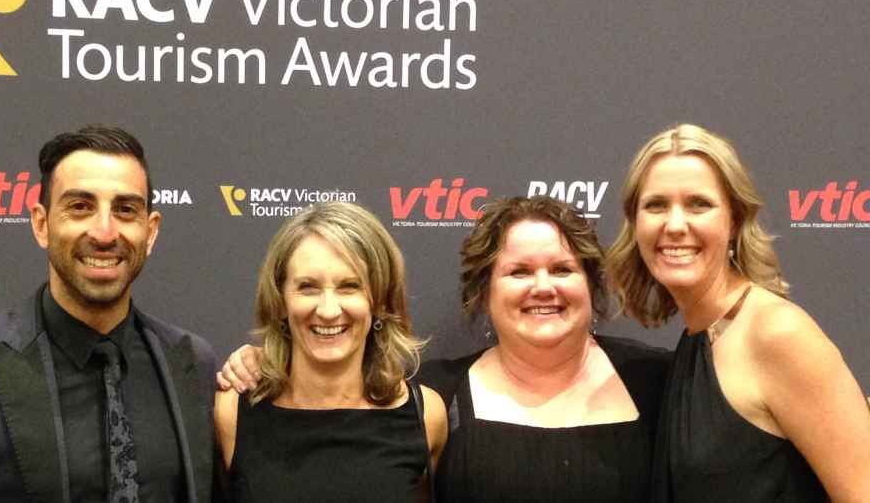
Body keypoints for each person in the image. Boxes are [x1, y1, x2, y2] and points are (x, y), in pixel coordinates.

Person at [220, 196, 670, 502]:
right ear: (484, 292)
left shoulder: (658, 382)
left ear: (592, 282)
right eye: (518, 272)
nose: (542, 287)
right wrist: (256, 360)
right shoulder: (436, 398)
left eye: (562, 269)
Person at [0, 126, 217, 503]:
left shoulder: (191, 362)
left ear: (150, 232)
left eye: (125, 210)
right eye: (80, 207)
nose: (104, 233)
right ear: (41, 224)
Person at [608, 123, 870, 502]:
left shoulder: (777, 334)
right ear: (635, 224)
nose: (675, 225)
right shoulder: (699, 339)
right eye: (656, 205)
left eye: (699, 204)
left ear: (734, 221)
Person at [213, 202, 447, 503]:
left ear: (379, 300)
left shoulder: (426, 415)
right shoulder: (231, 411)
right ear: (280, 300)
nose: (328, 310)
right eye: (308, 287)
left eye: (349, 286)